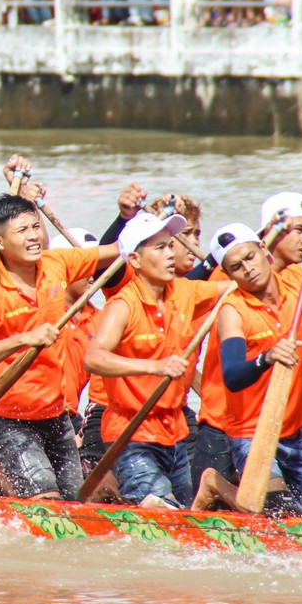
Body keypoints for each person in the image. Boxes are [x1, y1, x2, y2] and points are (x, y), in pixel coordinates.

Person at [194, 161, 302, 515]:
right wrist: (266, 357)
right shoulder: (233, 309)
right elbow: (232, 375)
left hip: (295, 432)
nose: (248, 269)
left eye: (250, 257)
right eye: (236, 268)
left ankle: (225, 494)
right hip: (250, 432)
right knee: (274, 509)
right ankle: (218, 488)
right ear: (228, 274)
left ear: (265, 251)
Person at [0, 190, 121, 499]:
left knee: (76, 502)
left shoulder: (56, 263)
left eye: (35, 226)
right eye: (22, 230)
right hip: (10, 418)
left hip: (56, 414)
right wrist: (24, 339)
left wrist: (133, 221)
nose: (34, 236)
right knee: (47, 499)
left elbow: (112, 251)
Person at [84, 212, 230, 508]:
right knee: (159, 509)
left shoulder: (185, 291)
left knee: (186, 512)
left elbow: (234, 287)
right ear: (135, 260)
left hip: (174, 430)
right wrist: (154, 366)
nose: (171, 254)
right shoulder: (122, 306)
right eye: (159, 248)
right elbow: (93, 358)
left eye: (169, 245)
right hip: (131, 433)